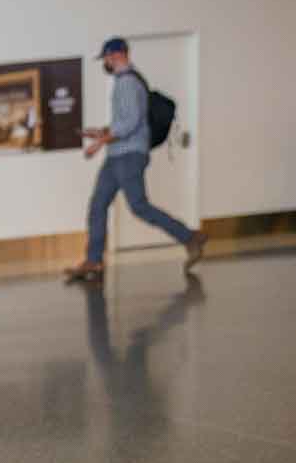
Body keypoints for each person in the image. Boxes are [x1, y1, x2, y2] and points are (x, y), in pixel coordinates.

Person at [65, 37, 206, 283]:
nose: (105, 62)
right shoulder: (123, 82)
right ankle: (94, 261)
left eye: (107, 57)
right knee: (98, 205)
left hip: (128, 155)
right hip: (117, 154)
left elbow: (130, 123)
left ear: (119, 54)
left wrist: (99, 143)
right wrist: (100, 132)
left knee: (139, 206)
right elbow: (127, 121)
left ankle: (189, 237)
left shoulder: (128, 83)